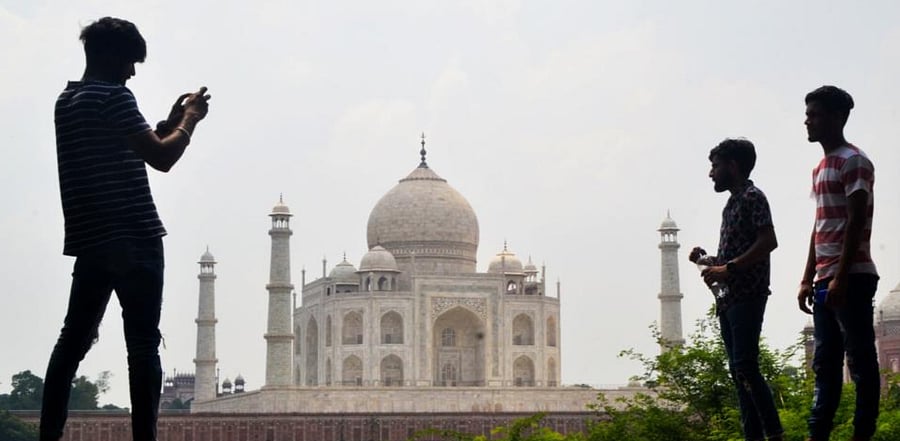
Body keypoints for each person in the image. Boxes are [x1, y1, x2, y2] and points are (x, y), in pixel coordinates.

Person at [40, 17, 210, 441]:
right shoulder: (115, 96)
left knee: (72, 342)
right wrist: (189, 121)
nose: (133, 72)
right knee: (143, 345)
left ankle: (48, 435)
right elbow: (162, 159)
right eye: (131, 62)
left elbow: (130, 144)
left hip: (91, 239)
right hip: (134, 235)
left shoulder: (68, 100)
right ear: (112, 56)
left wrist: (167, 122)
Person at [797, 86, 879, 441]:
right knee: (825, 362)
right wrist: (807, 278)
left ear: (838, 117)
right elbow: (821, 226)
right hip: (826, 279)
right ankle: (819, 433)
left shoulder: (853, 161)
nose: (807, 121)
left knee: (859, 361)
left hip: (852, 276)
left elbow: (855, 219)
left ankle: (862, 433)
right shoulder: (820, 168)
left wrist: (841, 277)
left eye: (815, 114)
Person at [689, 138, 784, 441]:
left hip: (748, 294)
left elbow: (768, 242)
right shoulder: (732, 204)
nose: (711, 174)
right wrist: (708, 261)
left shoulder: (753, 197)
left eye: (715, 166)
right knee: (738, 372)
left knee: (745, 366)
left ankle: (774, 434)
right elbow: (735, 256)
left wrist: (727, 270)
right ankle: (753, 435)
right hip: (730, 298)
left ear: (733, 166)